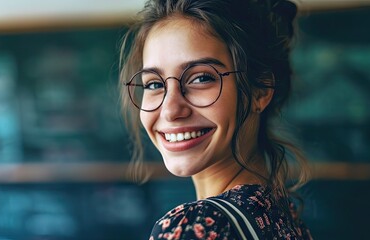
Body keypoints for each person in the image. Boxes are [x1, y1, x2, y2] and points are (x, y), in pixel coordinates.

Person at [119, 0, 312, 239]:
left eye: (200, 78)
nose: (170, 110)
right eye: (155, 84)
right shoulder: (283, 217)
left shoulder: (194, 227)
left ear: (260, 91)